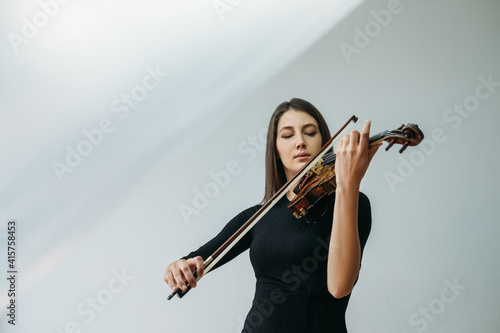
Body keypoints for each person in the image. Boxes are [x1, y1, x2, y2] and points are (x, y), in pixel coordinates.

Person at [163, 98, 381, 332]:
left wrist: (348, 184)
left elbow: (339, 287)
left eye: (310, 132)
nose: (300, 142)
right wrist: (177, 267)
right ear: (275, 150)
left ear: (324, 143)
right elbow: (194, 260)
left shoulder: (352, 203)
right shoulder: (258, 216)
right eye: (288, 135)